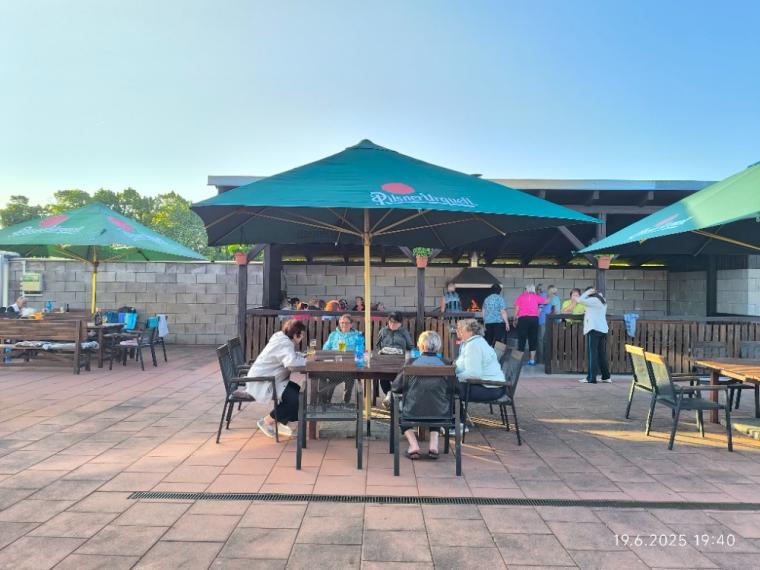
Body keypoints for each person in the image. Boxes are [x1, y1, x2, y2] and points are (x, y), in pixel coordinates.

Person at [244, 319, 307, 439]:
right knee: (295, 398)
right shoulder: (285, 343)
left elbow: (289, 356)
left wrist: (302, 356)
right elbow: (291, 363)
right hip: (264, 381)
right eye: (302, 334)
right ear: (296, 334)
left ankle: (281, 423)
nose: (302, 337)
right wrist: (307, 361)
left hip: (271, 378)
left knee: (298, 391)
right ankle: (266, 421)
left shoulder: (282, 339)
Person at [392, 331, 447, 460]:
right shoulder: (446, 363)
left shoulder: (411, 363)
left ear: (421, 346)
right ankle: (433, 445)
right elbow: (456, 389)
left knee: (396, 407)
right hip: (441, 412)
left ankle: (414, 445)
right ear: (438, 346)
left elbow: (396, 387)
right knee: (435, 402)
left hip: (412, 410)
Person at [453, 319, 506, 431]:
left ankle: (458, 425)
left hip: (491, 388)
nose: (457, 331)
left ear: (470, 331)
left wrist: (454, 377)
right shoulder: (472, 343)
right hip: (489, 386)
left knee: (449, 389)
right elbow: (464, 366)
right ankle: (455, 420)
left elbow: (474, 374)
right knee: (449, 385)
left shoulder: (474, 345)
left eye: (460, 329)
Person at [377, 312, 415, 407]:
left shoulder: (404, 332)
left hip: (400, 360)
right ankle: (389, 394)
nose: (392, 324)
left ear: (400, 323)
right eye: (390, 322)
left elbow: (410, 347)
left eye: (395, 322)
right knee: (382, 376)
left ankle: (391, 396)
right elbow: (378, 346)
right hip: (385, 359)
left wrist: (408, 354)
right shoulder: (383, 331)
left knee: (401, 376)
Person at [322, 314, 362, 403]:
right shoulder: (333, 335)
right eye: (342, 323)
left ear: (351, 324)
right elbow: (325, 349)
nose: (344, 325)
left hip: (350, 365)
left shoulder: (357, 335)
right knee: (322, 376)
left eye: (347, 323)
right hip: (334, 364)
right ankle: (326, 401)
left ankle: (346, 401)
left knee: (349, 376)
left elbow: (360, 352)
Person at [578, 287, 611, 384]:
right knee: (601, 354)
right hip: (602, 330)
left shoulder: (594, 300)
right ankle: (606, 376)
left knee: (592, 354)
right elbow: (594, 311)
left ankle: (591, 378)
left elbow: (580, 300)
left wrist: (586, 293)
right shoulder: (602, 299)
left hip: (594, 329)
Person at [513, 284, 545, 365]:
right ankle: (532, 360)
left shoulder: (521, 297)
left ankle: (519, 361)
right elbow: (545, 301)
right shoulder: (536, 297)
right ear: (533, 290)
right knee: (533, 339)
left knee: (521, 339)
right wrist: (550, 294)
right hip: (534, 319)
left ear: (526, 289)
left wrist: (515, 319)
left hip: (523, 319)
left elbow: (517, 309)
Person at [537, 285, 561, 363]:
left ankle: (543, 359)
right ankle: (545, 359)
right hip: (548, 321)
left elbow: (556, 310)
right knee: (545, 340)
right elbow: (557, 311)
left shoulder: (551, 297)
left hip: (546, 321)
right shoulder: (546, 296)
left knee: (543, 340)